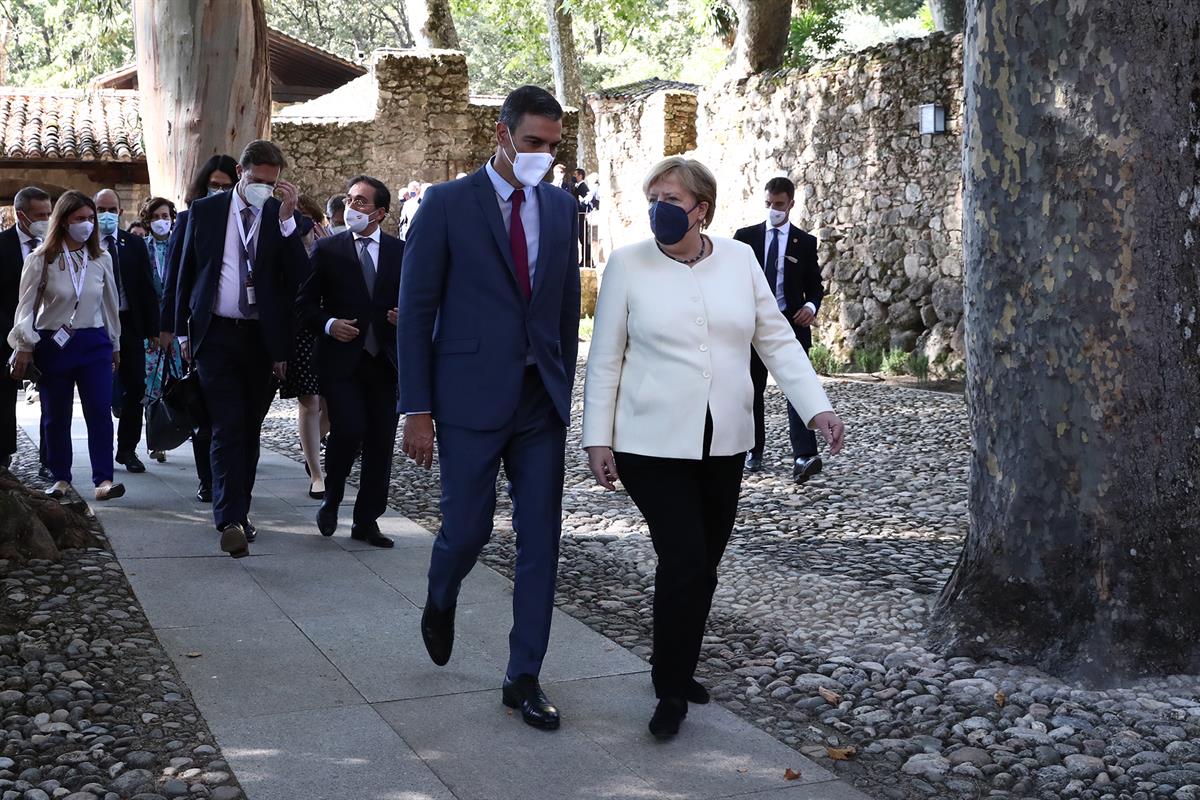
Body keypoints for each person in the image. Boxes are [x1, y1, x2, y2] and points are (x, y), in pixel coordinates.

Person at [581, 157, 845, 739]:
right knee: (686, 560)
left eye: (672, 198)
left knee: (704, 566)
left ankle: (673, 660)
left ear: (702, 208)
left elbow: (775, 339)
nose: (660, 207)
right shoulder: (627, 264)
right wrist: (596, 437)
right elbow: (605, 359)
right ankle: (671, 688)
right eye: (654, 196)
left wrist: (816, 406)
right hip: (649, 444)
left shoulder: (739, 258)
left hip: (724, 440)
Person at [398, 85, 581, 731]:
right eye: (533, 143)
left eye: (553, 148)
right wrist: (415, 410)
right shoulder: (446, 205)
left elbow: (561, 309)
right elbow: (416, 312)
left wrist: (564, 389)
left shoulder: (562, 209)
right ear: (502, 136)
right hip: (468, 398)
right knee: (468, 530)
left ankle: (522, 676)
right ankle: (440, 593)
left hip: (539, 405)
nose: (544, 157)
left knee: (541, 543)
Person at [160, 140, 308, 558]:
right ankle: (229, 519)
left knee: (249, 428)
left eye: (272, 183)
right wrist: (179, 332)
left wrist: (287, 221)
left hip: (261, 339)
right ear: (241, 173)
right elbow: (183, 271)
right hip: (216, 334)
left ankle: (240, 512)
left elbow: (300, 277)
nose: (264, 187)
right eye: (257, 180)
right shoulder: (204, 213)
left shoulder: (277, 216)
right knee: (226, 425)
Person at [300, 175, 402, 545]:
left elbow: (422, 303)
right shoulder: (330, 250)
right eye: (349, 199)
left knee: (381, 441)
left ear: (380, 213)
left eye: (360, 202)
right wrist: (329, 324)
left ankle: (366, 520)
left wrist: (405, 315)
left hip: (385, 361)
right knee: (349, 430)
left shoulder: (400, 251)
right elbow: (304, 306)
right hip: (342, 362)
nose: (351, 207)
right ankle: (332, 497)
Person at [7, 190, 127, 501]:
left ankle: (103, 479)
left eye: (90, 219)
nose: (86, 225)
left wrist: (115, 342)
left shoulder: (101, 258)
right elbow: (25, 306)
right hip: (54, 343)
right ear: (63, 222)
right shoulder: (40, 259)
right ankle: (60, 476)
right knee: (55, 414)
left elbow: (110, 304)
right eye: (79, 219)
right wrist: (24, 343)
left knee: (99, 411)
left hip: (94, 342)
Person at [734, 177, 825, 481]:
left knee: (798, 388)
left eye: (779, 205)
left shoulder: (805, 242)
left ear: (791, 204)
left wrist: (811, 308)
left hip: (790, 326)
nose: (773, 209)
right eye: (769, 204)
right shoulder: (745, 238)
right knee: (751, 390)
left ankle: (804, 455)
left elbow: (815, 286)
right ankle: (752, 449)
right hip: (752, 325)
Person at [158, 154, 236, 503]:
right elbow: (175, 279)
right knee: (205, 410)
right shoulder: (190, 219)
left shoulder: (245, 220)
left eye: (225, 185)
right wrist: (177, 332)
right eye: (213, 184)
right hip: (201, 330)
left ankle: (234, 480)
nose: (219, 190)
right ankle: (208, 479)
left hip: (241, 328)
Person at [93, 189, 159, 474]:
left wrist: (154, 329)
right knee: (97, 390)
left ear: (120, 212)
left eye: (111, 209)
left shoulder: (133, 244)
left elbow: (147, 288)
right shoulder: (83, 244)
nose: (105, 214)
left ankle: (127, 449)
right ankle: (101, 450)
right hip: (94, 323)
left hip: (129, 323)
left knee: (135, 387)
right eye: (100, 208)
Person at [283, 194, 331, 499]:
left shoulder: (327, 243)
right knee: (310, 402)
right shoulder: (283, 241)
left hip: (328, 326)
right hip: (299, 328)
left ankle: (311, 445)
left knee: (334, 404)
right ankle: (316, 472)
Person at [1, 187, 52, 471]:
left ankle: (51, 460)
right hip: (7, 338)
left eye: (49, 213)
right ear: (21, 216)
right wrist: (18, 339)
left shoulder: (58, 246)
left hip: (49, 334)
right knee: (4, 404)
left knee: (53, 402)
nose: (45, 219)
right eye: (39, 215)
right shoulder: (3, 245)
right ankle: (3, 459)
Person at [572, 168, 593, 268]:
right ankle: (586, 259)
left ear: (580, 176)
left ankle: (587, 260)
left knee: (583, 238)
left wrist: (580, 205)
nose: (574, 176)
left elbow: (587, 201)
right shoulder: (578, 186)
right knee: (581, 238)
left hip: (581, 216)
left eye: (575, 174)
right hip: (579, 216)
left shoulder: (583, 187)